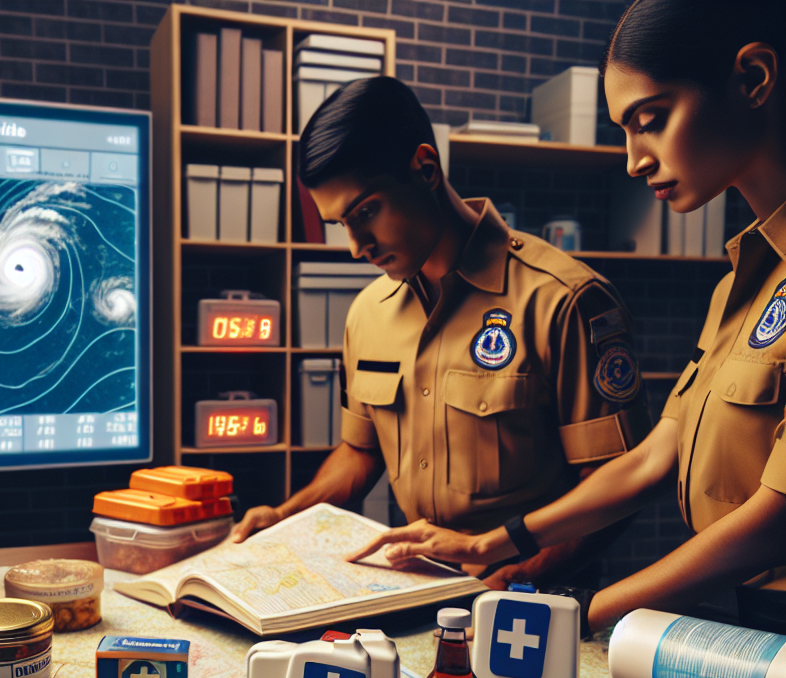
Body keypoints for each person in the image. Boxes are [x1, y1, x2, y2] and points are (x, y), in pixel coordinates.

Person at [349, 0, 786, 635]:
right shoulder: (743, 283)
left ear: (752, 80)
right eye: (625, 130)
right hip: (739, 627)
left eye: (651, 120)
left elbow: (775, 518)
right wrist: (492, 544)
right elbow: (654, 457)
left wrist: (587, 613)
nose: (634, 159)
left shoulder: (566, 293)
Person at [231, 76, 651, 590]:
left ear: (425, 168)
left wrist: (511, 579)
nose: (356, 247)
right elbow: (360, 452)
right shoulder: (367, 313)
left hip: (536, 600)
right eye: (340, 222)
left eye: (366, 212)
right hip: (417, 589)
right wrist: (286, 516)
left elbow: (618, 489)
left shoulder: (565, 299)